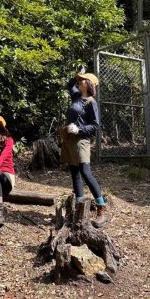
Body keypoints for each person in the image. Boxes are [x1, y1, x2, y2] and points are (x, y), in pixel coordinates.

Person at [61, 72, 108, 228]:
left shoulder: (90, 102)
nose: (79, 82)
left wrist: (79, 129)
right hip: (69, 140)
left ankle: (101, 209)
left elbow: (95, 125)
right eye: (79, 80)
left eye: (82, 80)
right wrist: (77, 75)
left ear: (88, 84)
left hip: (82, 140)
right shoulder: (75, 96)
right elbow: (69, 84)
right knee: (74, 172)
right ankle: (79, 208)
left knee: (85, 172)